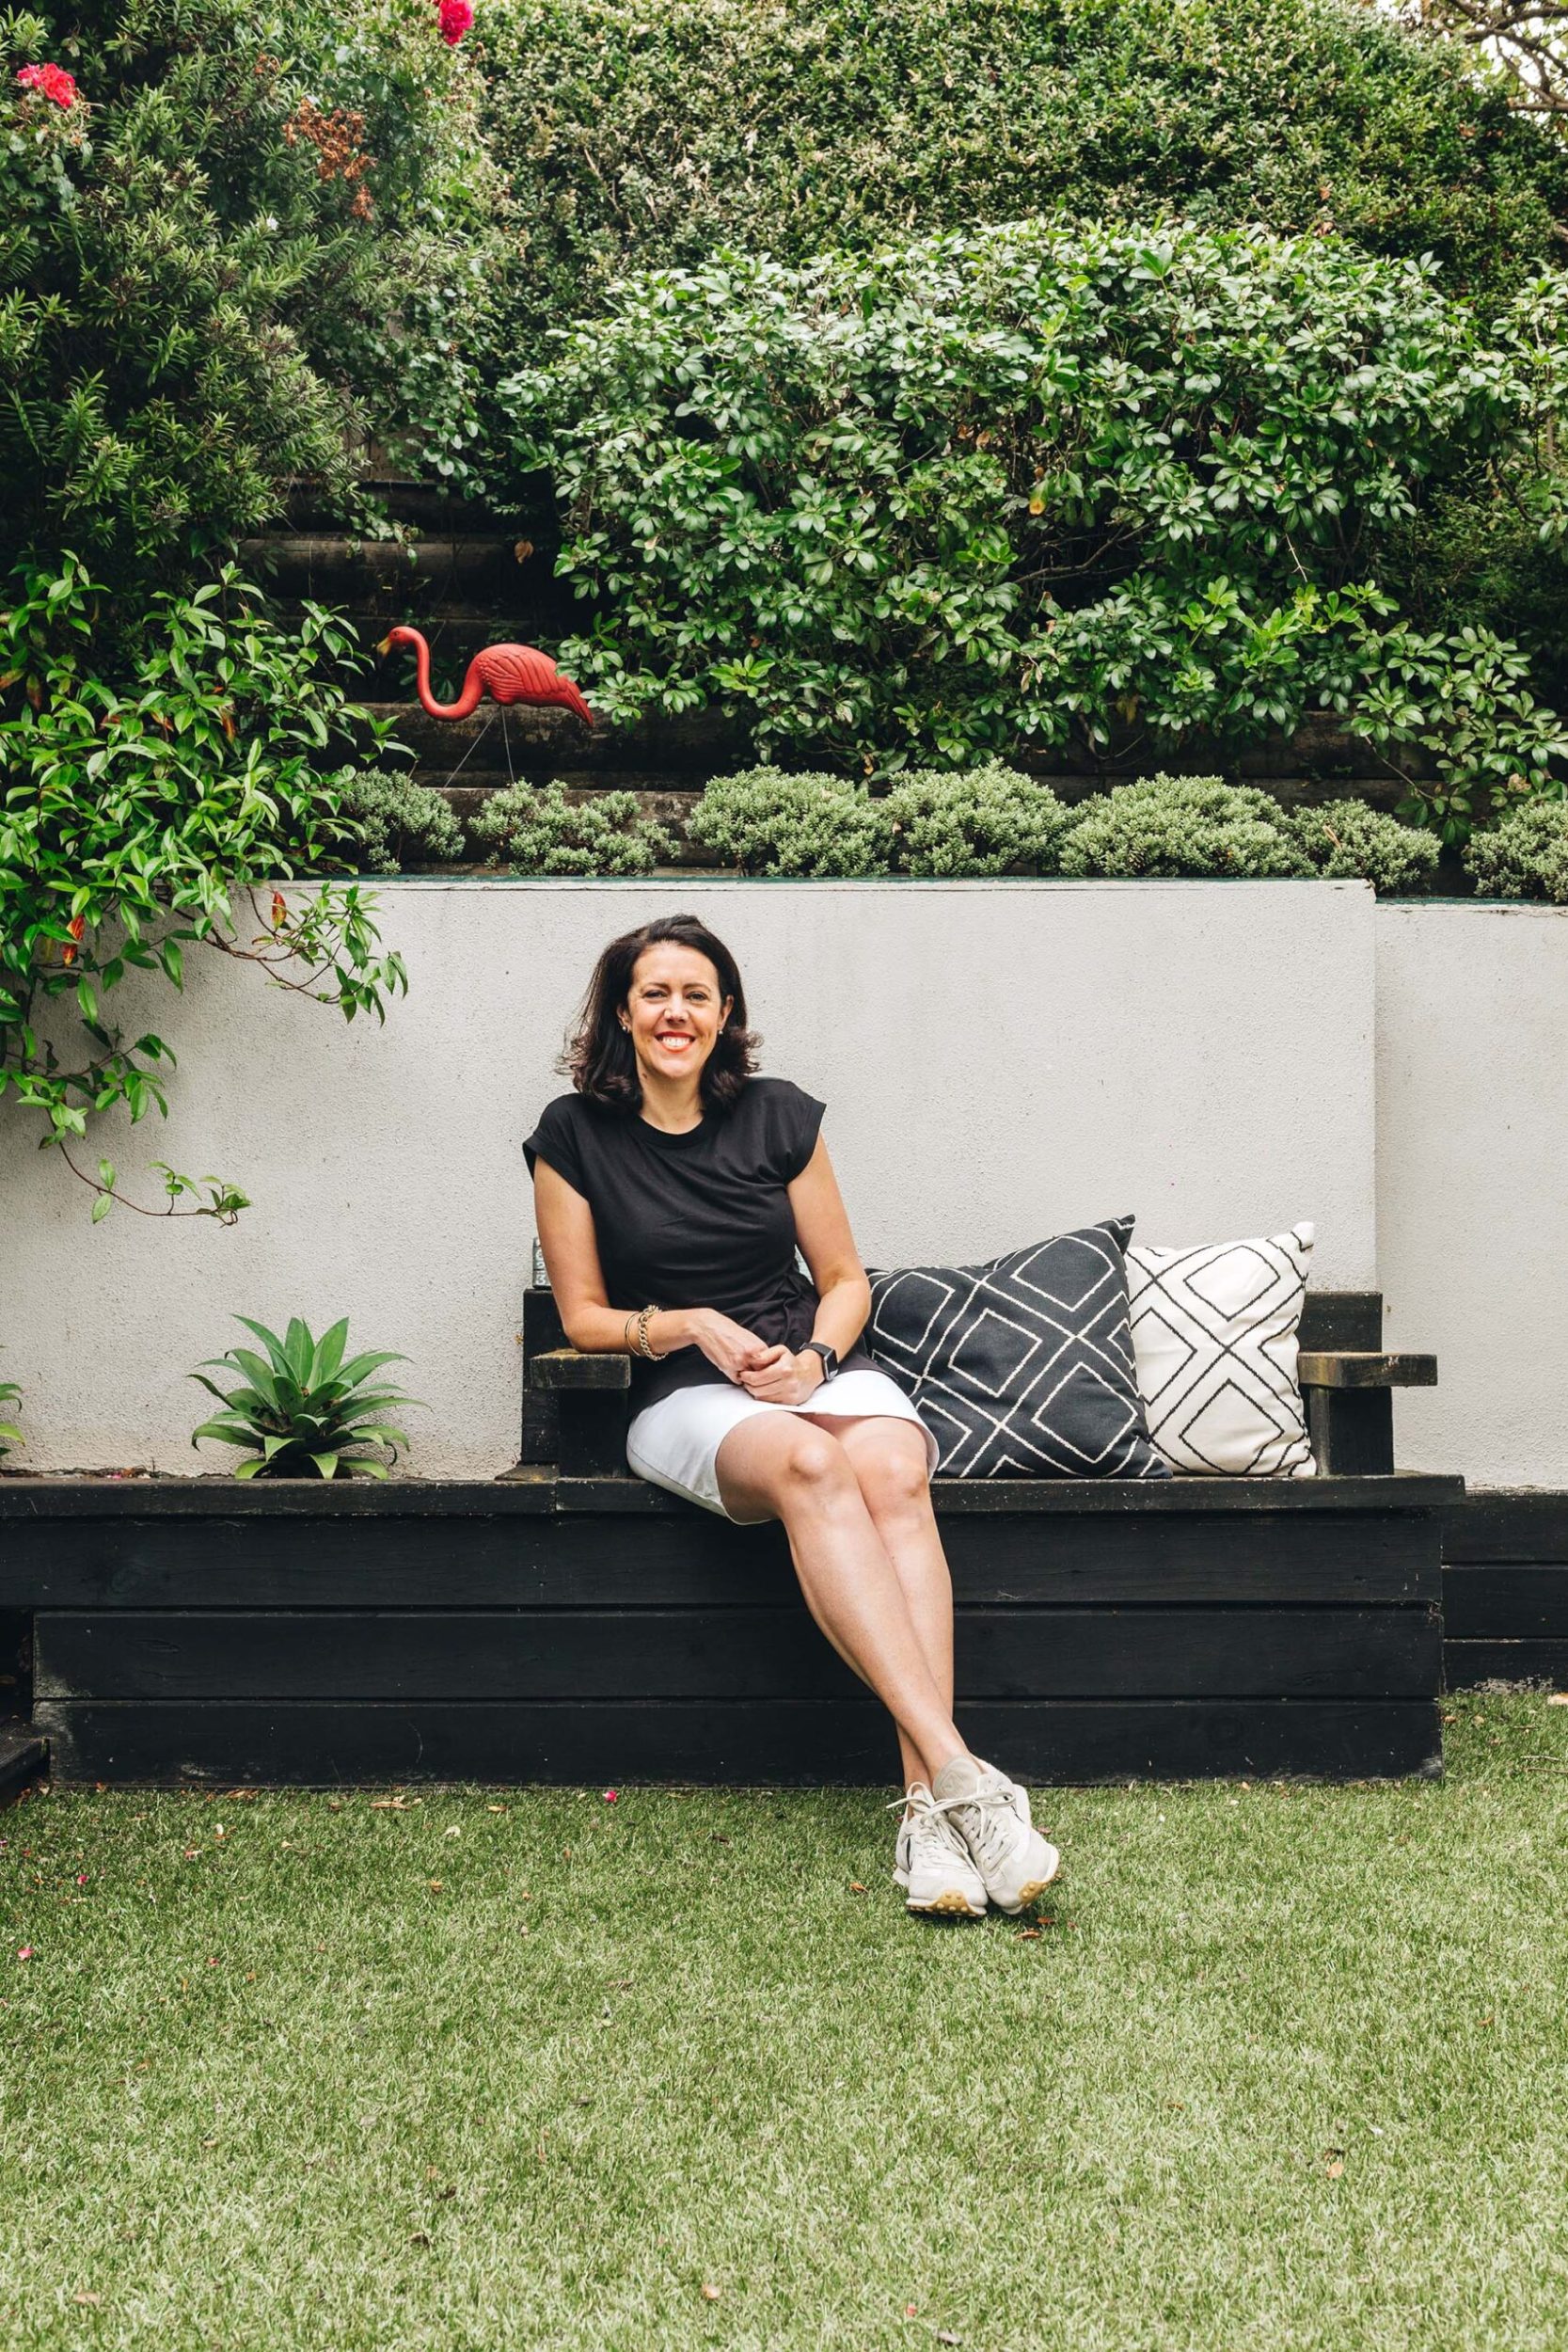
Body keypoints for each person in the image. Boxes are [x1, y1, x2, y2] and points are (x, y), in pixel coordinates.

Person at [524, 913, 1059, 1921]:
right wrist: (689, 1325)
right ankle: (961, 1774)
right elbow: (583, 1316)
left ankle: (926, 1816)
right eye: (654, 994)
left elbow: (845, 1280)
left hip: (804, 1365)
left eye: (695, 995)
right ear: (621, 1014)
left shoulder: (780, 1116)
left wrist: (813, 1356)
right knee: (813, 1470)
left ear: (726, 1015)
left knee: (893, 1465)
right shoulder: (572, 1135)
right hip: (681, 1391)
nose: (674, 1012)